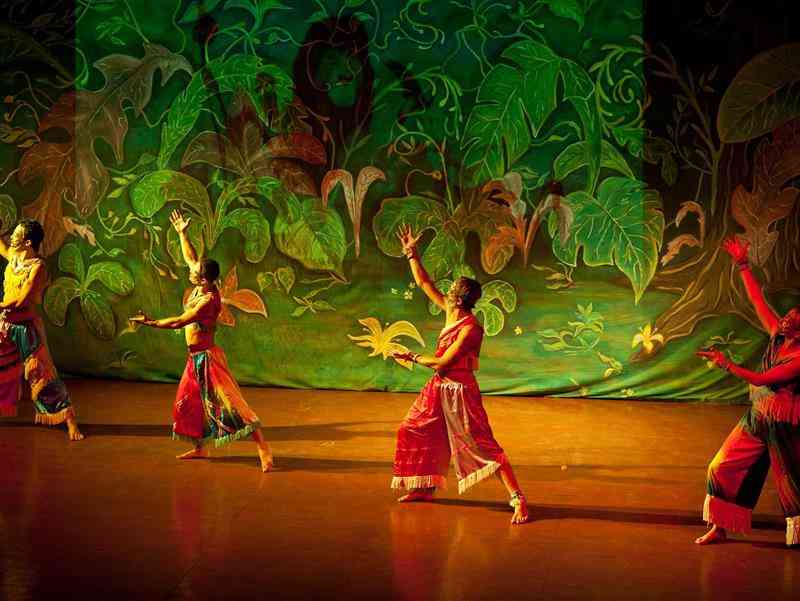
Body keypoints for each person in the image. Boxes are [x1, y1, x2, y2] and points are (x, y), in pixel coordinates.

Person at [390, 224, 530, 525]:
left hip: (460, 391)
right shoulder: (450, 311)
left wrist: (411, 356)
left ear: (458, 298)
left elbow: (443, 362)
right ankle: (425, 488)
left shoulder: (470, 329)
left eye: (452, 290)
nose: (447, 292)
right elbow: (424, 282)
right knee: (414, 428)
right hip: (439, 387)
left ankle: (518, 498)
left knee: (483, 444)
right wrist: (412, 253)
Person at [129, 210, 272, 471]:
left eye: (195, 273)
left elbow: (178, 322)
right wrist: (182, 233)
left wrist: (149, 322)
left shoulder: (207, 301)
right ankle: (200, 448)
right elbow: (191, 258)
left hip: (208, 360)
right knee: (189, 403)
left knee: (232, 404)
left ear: (204, 280)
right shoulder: (202, 285)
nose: (190, 271)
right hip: (194, 359)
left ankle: (264, 449)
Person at [695, 235, 800, 547]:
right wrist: (742, 264)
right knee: (722, 466)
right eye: (787, 315)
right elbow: (757, 301)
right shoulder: (777, 335)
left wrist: (726, 364)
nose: (785, 319)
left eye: (793, 320)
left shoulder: (798, 358)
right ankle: (719, 527)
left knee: (792, 484)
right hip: (759, 415)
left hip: (785, 425)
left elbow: (761, 378)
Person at [0, 219, 83, 440]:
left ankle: (69, 419)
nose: (12, 237)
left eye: (16, 234)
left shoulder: (38, 267)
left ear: (27, 242)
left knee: (42, 377)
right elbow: (2, 246)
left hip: (26, 329)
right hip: (4, 325)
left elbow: (20, 301)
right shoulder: (14, 256)